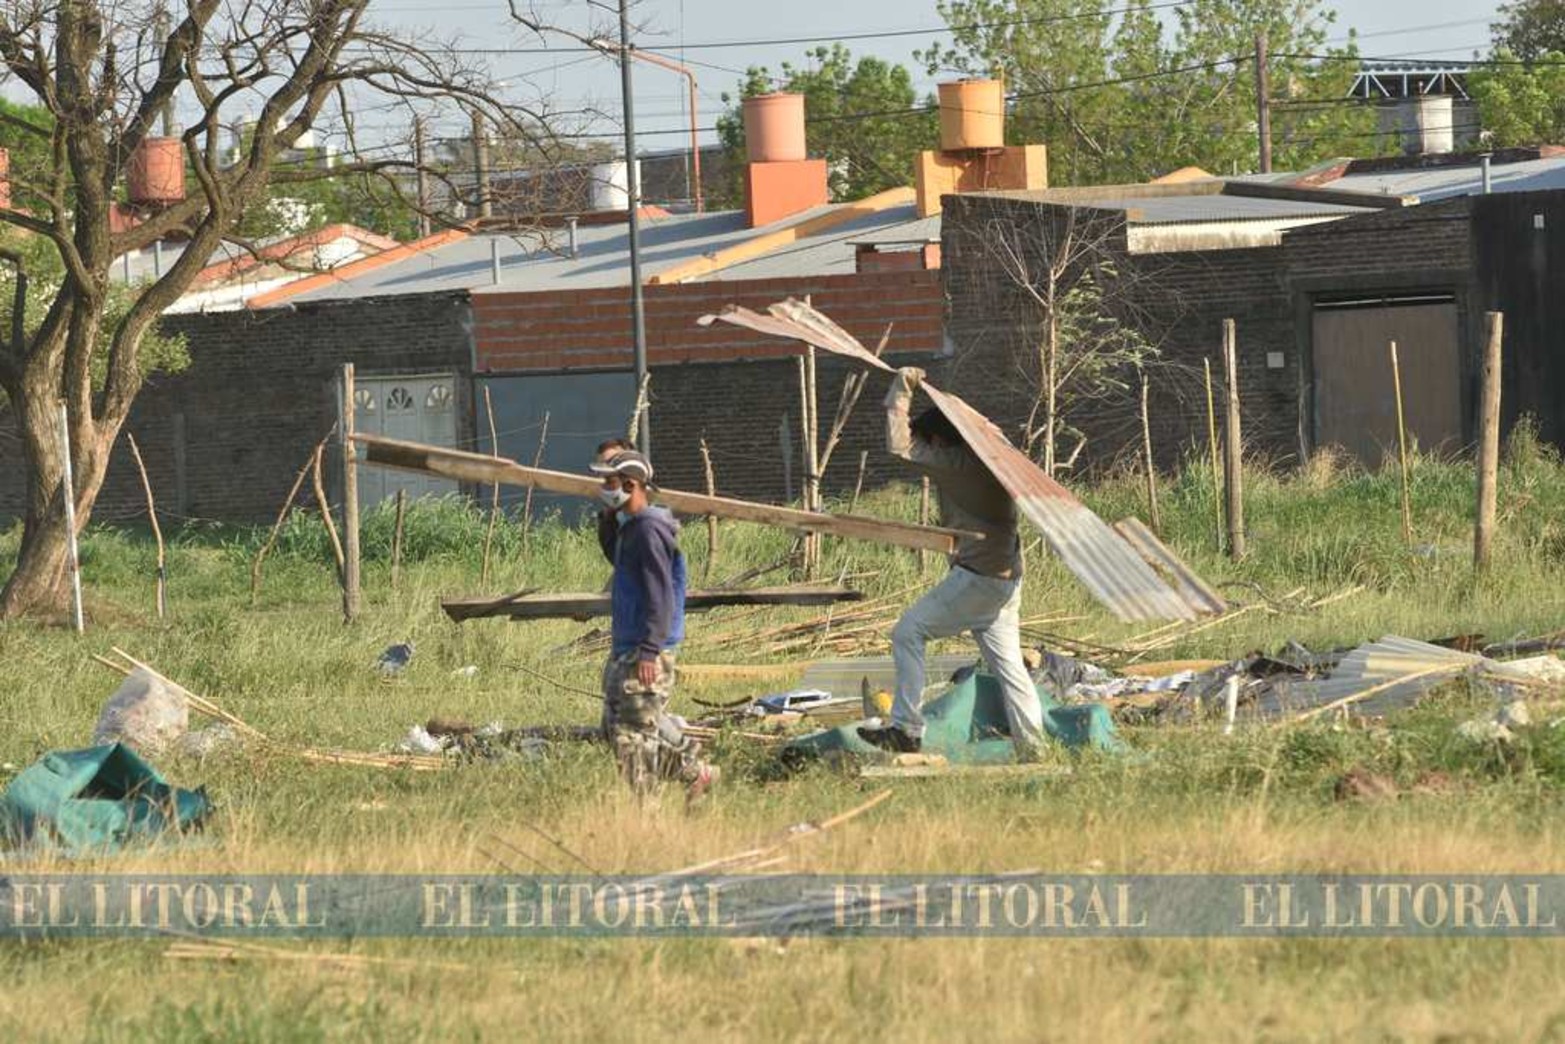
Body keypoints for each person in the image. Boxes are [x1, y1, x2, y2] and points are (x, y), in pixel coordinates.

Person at [857, 367, 1046, 757]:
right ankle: (1035, 749)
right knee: (1010, 670)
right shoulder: (991, 457)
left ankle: (906, 730)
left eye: (934, 443)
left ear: (942, 439)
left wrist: (901, 391)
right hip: (1005, 582)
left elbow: (899, 444)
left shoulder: (959, 463)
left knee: (907, 633)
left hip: (979, 579)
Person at [589, 448, 718, 802]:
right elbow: (618, 559)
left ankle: (648, 816)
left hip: (646, 649)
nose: (603, 486)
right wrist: (606, 520)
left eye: (610, 482)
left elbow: (660, 595)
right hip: (627, 643)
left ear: (631, 485)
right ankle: (695, 773)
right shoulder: (631, 527)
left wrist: (649, 651)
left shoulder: (649, 530)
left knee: (635, 737)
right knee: (615, 728)